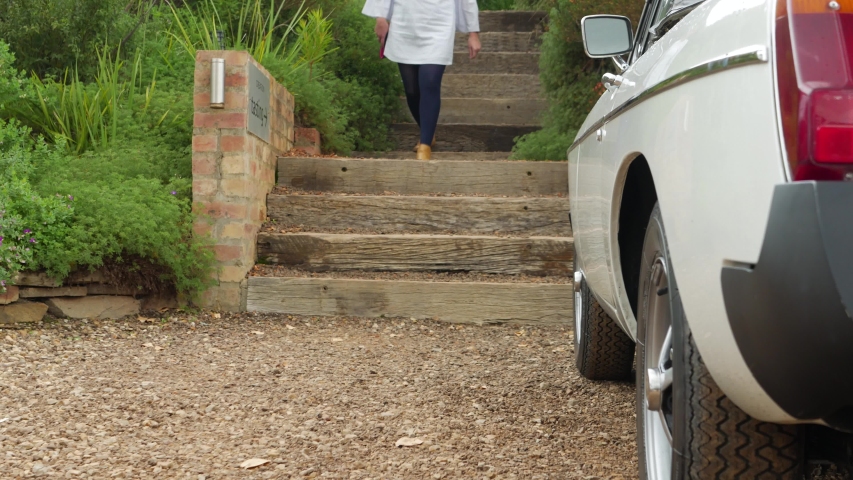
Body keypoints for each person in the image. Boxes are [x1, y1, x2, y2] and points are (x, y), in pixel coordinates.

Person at [362, 0, 481, 160]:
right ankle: (428, 132)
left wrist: (473, 33)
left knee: (430, 82)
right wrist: (380, 18)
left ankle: (424, 147)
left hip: (439, 25)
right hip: (404, 25)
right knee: (411, 90)